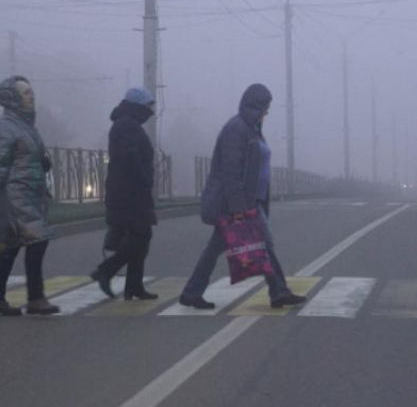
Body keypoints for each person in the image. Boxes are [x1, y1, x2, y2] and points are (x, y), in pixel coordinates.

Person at [179, 83, 305, 310]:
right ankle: (278, 292)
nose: (267, 112)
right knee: (262, 244)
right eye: (265, 107)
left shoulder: (251, 128)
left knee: (224, 247)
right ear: (256, 105)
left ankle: (192, 292)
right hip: (236, 204)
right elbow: (231, 172)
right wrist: (239, 208)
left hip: (249, 201)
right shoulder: (236, 129)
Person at [90, 86, 159, 301]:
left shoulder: (128, 124)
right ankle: (106, 271)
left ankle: (134, 286)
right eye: (148, 106)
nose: (150, 111)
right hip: (129, 193)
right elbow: (130, 157)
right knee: (140, 237)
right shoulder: (128, 125)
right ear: (138, 106)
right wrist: (145, 178)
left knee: (140, 238)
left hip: (129, 191)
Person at [0, 75, 59, 316]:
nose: (31, 96)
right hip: (17, 196)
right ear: (12, 99)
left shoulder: (25, 126)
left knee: (10, 248)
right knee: (37, 240)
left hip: (29, 195)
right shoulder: (7, 128)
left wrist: (42, 162)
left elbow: (28, 157)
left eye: (31, 92)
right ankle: (35, 298)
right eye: (25, 93)